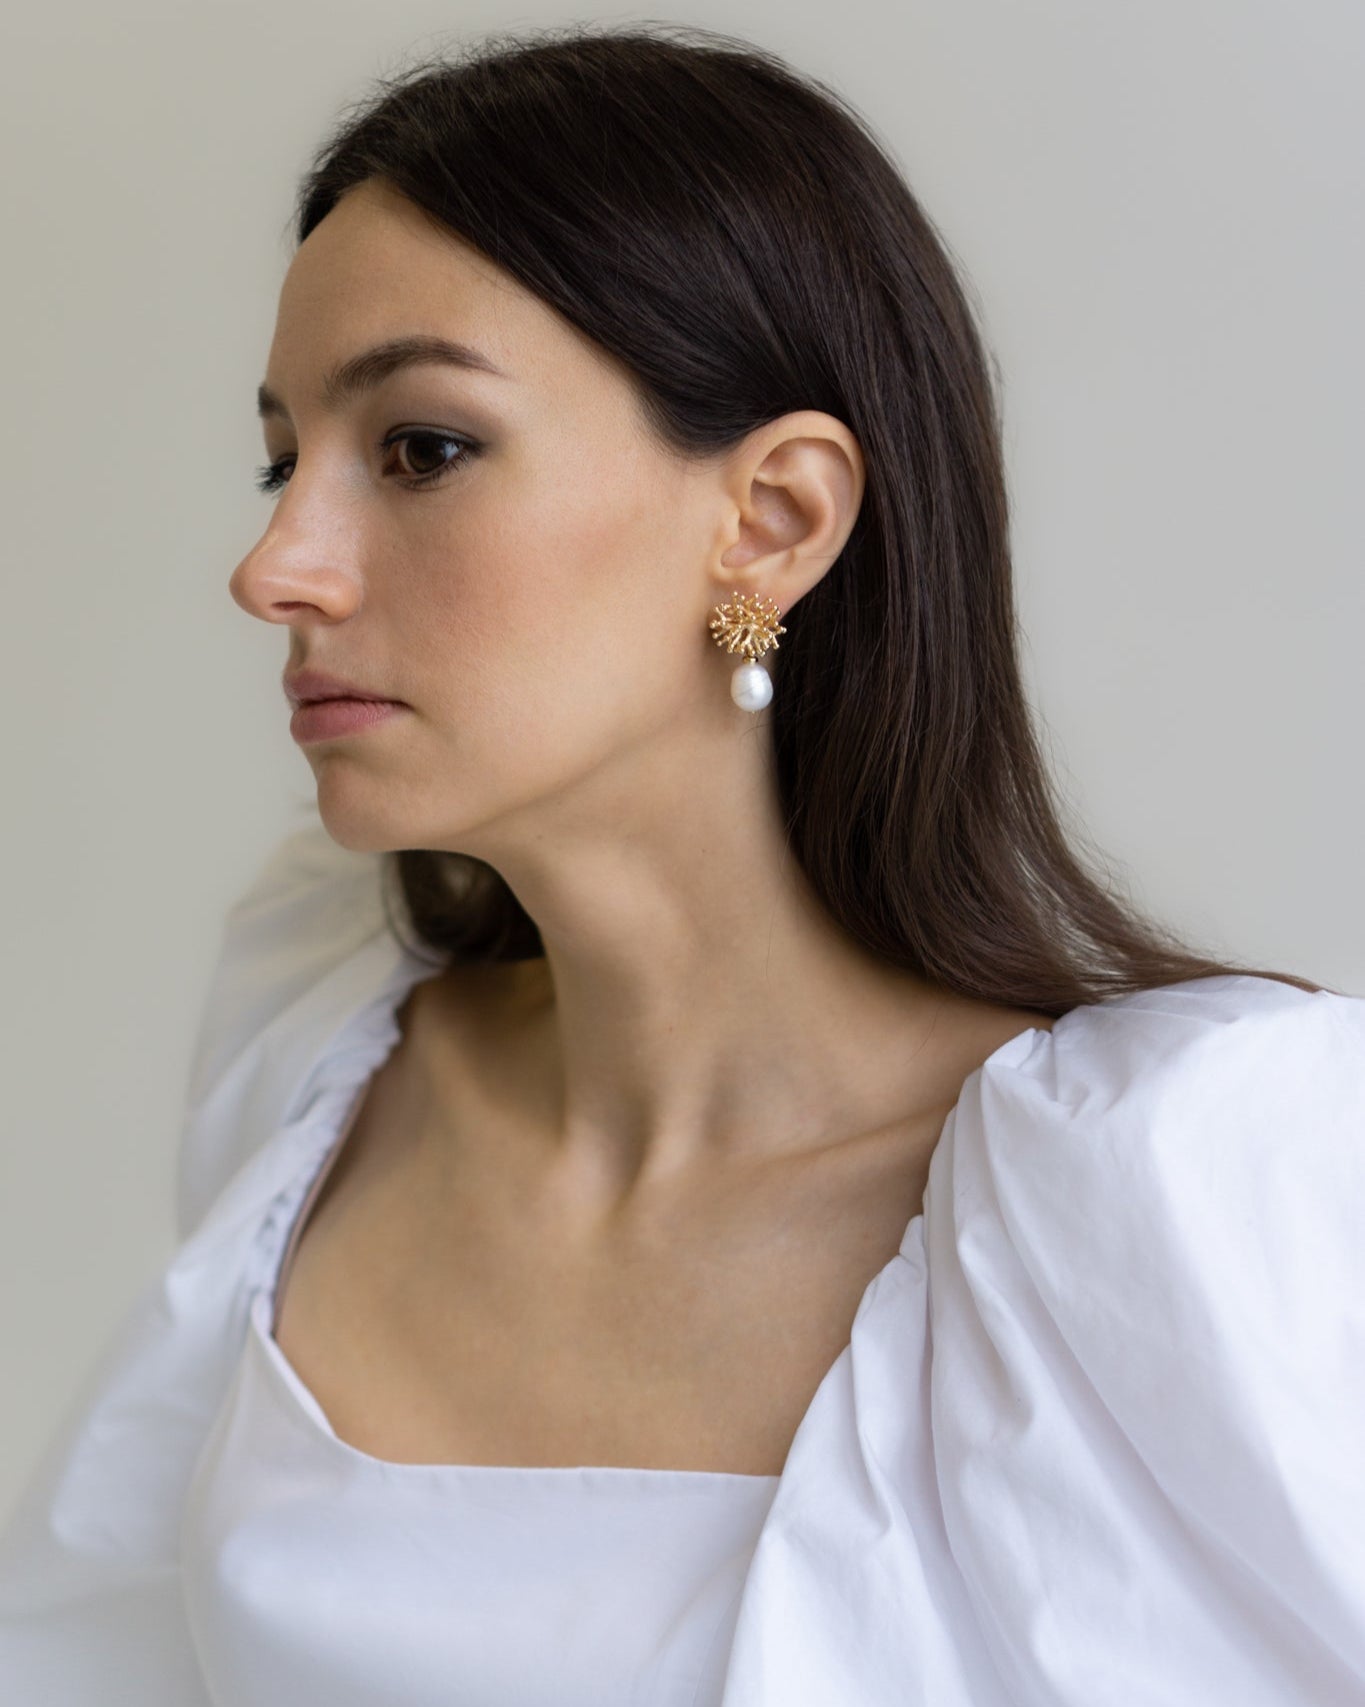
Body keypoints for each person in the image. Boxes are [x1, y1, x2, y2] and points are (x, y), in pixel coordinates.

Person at [2, 21, 1362, 1706]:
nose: (274, 565)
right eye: (285, 457)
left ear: (774, 519)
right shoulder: (314, 1060)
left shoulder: (1181, 1201)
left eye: (419, 448)